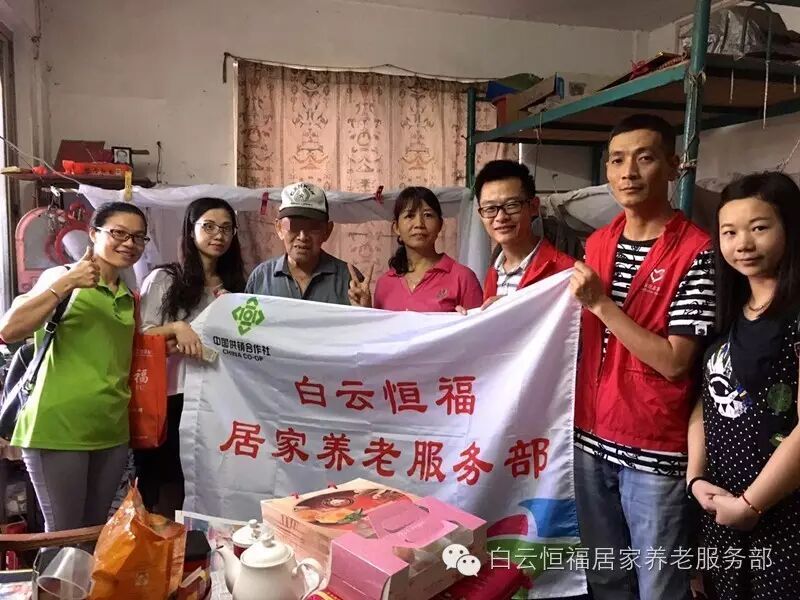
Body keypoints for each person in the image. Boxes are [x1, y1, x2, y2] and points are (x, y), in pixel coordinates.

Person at [569, 114, 716, 600]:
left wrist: (601, 304)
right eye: (617, 160)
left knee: (659, 583)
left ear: (673, 166)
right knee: (605, 575)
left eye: (644, 158)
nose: (628, 172)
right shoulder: (598, 242)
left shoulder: (697, 252)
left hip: (652, 448)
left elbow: (676, 361)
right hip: (590, 438)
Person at [0, 202, 149, 532]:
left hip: (111, 429)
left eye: (138, 237)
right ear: (93, 234)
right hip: (59, 427)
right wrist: (67, 283)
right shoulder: (61, 276)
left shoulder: (127, 295)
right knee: (63, 535)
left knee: (94, 532)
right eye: (119, 233)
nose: (129, 243)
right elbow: (9, 330)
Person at [687, 172, 800, 599]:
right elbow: (706, 401)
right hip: (722, 508)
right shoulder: (730, 309)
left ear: (790, 227)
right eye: (729, 232)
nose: (743, 244)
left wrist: (751, 505)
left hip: (781, 516)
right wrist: (696, 478)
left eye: (759, 228)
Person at [134, 197, 246, 516]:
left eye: (226, 228)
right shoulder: (165, 279)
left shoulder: (235, 286)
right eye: (208, 226)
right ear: (190, 230)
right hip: (172, 399)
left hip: (219, 401)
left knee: (209, 485)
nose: (218, 235)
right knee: (168, 490)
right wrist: (177, 328)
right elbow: (142, 337)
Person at [245, 181, 371, 307]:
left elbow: (363, 319)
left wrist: (365, 311)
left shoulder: (349, 281)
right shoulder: (260, 278)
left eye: (313, 227)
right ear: (279, 228)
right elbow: (245, 320)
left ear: (327, 231)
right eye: (293, 226)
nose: (302, 237)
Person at [471, 160, 575, 311]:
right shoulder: (493, 274)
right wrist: (464, 317)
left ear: (533, 207)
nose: (501, 217)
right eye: (490, 208)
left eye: (511, 205)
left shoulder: (565, 272)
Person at [373, 186, 482, 312]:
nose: (419, 224)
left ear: (440, 225)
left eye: (428, 215)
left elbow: (480, 324)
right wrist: (363, 308)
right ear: (396, 227)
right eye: (409, 216)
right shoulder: (384, 284)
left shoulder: (463, 278)